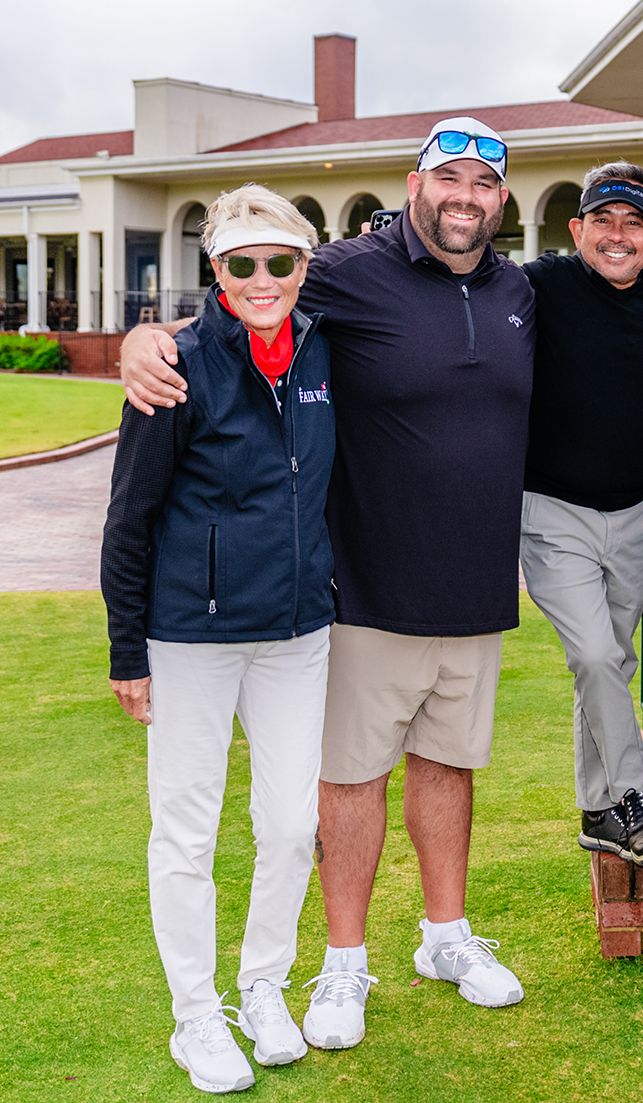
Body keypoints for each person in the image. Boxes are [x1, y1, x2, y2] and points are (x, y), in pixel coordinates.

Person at [118, 118, 534, 1048]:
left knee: (446, 766)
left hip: (472, 588)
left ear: (501, 199)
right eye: (449, 178)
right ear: (416, 184)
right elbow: (242, 297)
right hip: (361, 589)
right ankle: (341, 961)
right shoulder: (345, 270)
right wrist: (142, 339)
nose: (465, 197)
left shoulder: (518, 289)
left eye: (483, 184)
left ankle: (446, 936)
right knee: (347, 779)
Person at [101, 185, 333, 1093]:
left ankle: (263, 985)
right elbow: (130, 518)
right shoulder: (176, 364)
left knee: (292, 825)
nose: (263, 278)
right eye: (243, 263)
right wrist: (127, 652)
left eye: (281, 261)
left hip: (297, 632)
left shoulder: (325, 351)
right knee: (186, 831)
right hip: (190, 637)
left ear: (304, 265)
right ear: (217, 269)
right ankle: (195, 1015)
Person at [520, 161, 643, 867]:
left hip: (635, 510)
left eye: (633, 223)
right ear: (577, 229)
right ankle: (633, 795)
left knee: (611, 664)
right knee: (594, 655)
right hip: (552, 510)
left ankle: (597, 810)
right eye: (603, 221)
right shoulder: (539, 283)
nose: (617, 235)